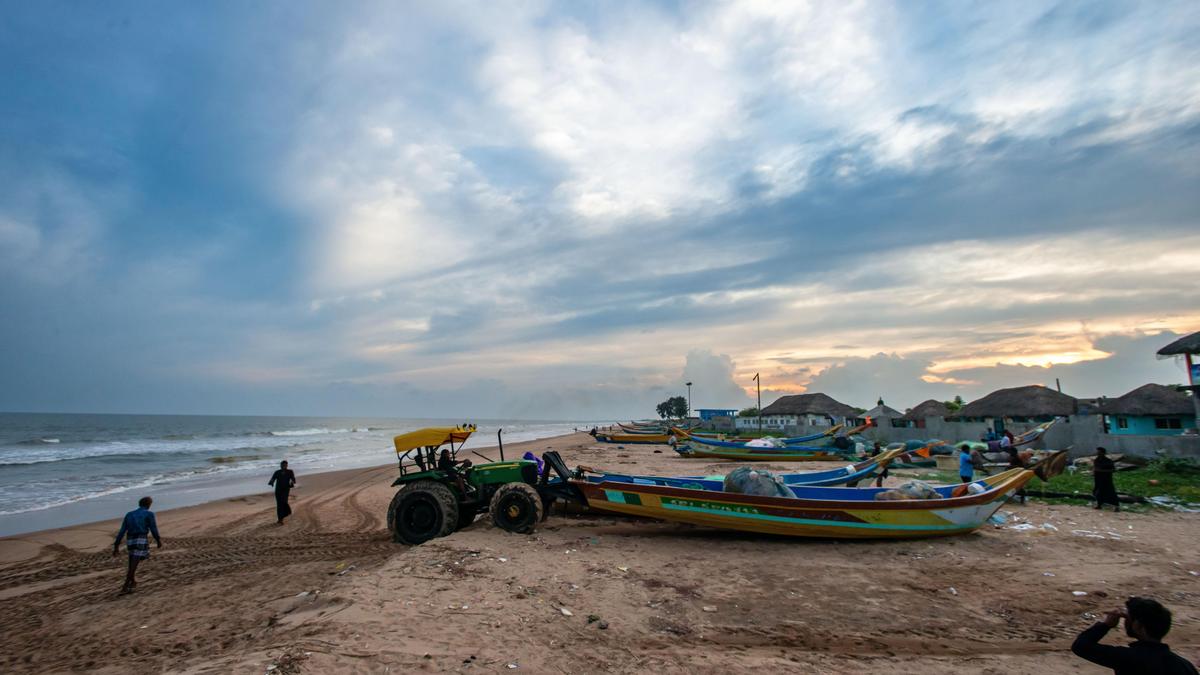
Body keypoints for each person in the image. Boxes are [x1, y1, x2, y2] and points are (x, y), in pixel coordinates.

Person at [1071, 596, 1197, 674]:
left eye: (1128, 619)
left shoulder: (1128, 658)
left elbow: (1081, 646)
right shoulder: (1184, 666)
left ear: (1138, 626)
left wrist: (1106, 625)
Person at [113, 496, 162, 594]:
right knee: (134, 564)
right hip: (140, 538)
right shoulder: (149, 514)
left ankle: (133, 582)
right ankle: (125, 585)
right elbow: (153, 529)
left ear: (140, 504)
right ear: (149, 505)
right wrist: (158, 540)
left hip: (130, 539)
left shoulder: (129, 514)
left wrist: (116, 546)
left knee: (132, 562)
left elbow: (122, 531)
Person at [268, 460, 296, 524]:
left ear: (287, 465)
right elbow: (273, 478)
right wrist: (271, 482)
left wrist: (292, 482)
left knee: (284, 502)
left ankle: (287, 513)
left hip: (286, 490)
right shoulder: (277, 472)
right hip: (278, 490)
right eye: (282, 465)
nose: (283, 466)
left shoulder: (290, 472)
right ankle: (280, 519)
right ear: (280, 465)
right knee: (279, 504)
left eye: (284, 465)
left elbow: (293, 479)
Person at [1093, 447, 1120, 512]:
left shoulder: (1108, 461)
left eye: (1099, 452)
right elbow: (1095, 468)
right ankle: (1099, 505)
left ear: (1103, 453)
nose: (1098, 454)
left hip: (1106, 479)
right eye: (1097, 452)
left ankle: (1116, 507)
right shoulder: (1096, 460)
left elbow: (1113, 470)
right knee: (1097, 492)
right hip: (1098, 479)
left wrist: (1102, 471)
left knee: (1110, 493)